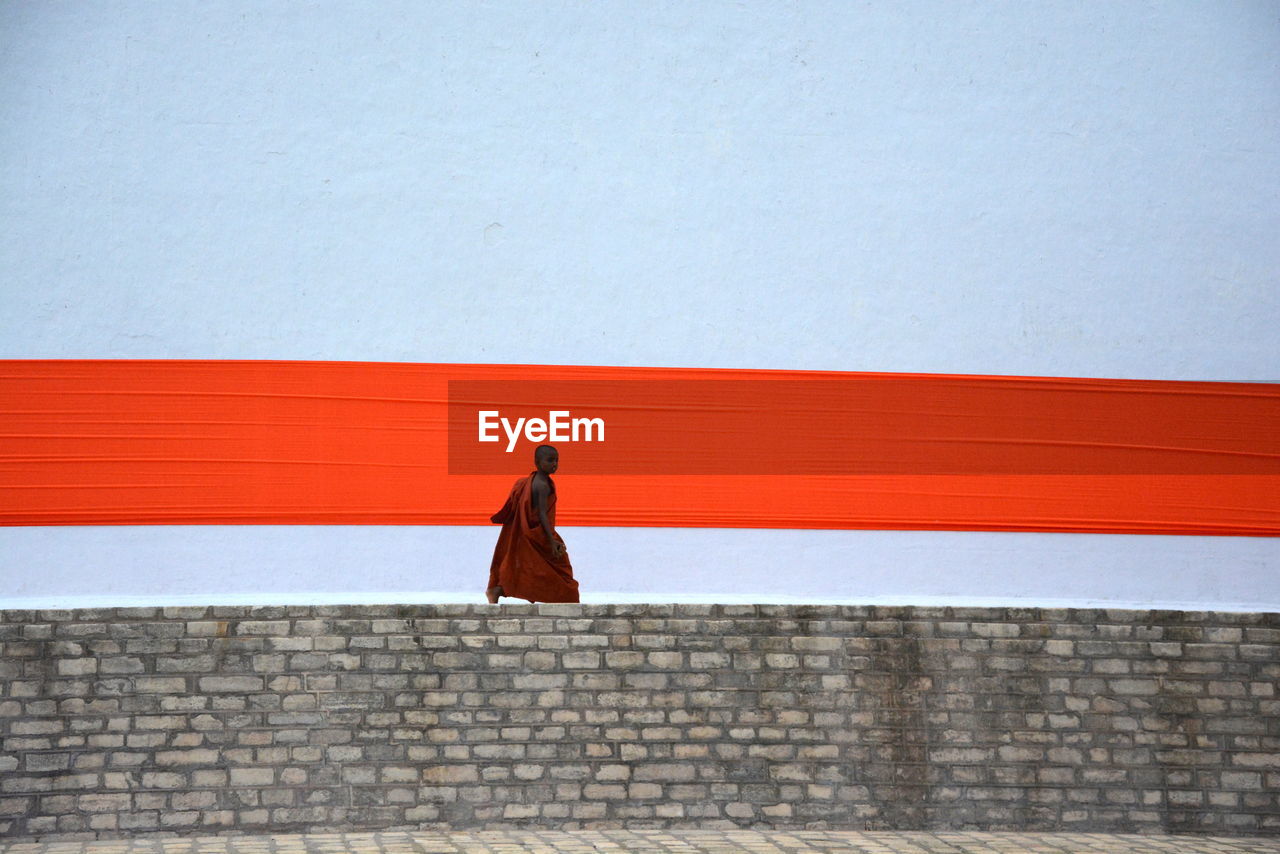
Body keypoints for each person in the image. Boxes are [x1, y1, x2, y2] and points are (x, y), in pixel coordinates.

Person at [485, 444, 580, 603]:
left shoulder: (534, 481)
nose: (554, 464)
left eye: (556, 460)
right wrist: (551, 540)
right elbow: (542, 514)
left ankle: (498, 590)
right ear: (537, 462)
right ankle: (498, 590)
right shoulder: (542, 485)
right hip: (539, 534)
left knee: (533, 569)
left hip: (532, 532)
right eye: (550, 460)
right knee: (561, 567)